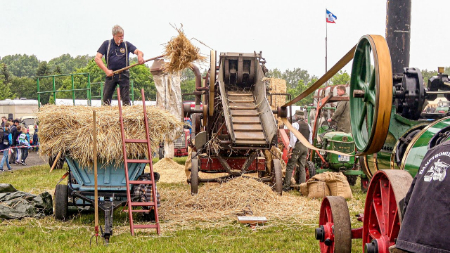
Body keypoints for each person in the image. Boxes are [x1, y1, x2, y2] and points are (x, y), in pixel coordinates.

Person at [94, 25, 144, 106]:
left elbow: (139, 51)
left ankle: (126, 115)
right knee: (106, 101)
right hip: (111, 75)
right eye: (119, 36)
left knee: (126, 101)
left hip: (124, 75)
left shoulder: (126, 44)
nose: (121, 38)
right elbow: (97, 58)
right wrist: (106, 70)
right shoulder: (107, 44)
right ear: (114, 35)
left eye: (122, 36)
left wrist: (140, 56)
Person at [283, 114, 310, 191]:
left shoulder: (295, 125)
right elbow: (310, 138)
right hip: (305, 147)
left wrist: (291, 148)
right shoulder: (308, 126)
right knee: (302, 167)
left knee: (290, 166)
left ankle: (286, 186)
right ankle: (302, 188)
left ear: (296, 117)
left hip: (298, 146)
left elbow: (293, 138)